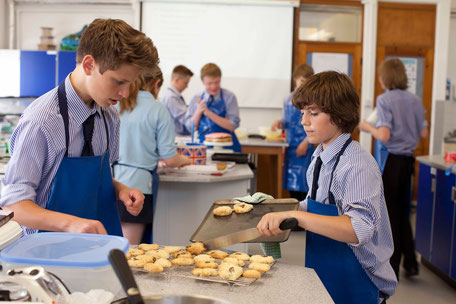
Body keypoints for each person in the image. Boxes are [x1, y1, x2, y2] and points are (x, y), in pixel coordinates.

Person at [0, 18, 158, 236]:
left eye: (131, 83)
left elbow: (95, 179)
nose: (125, 94)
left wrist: (121, 190)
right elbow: (14, 206)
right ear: (89, 65)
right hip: (44, 255)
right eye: (118, 82)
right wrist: (70, 224)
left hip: (95, 245)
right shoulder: (41, 122)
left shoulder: (109, 114)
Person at [256, 71, 397, 303]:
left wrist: (295, 215)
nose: (304, 121)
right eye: (302, 113)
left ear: (340, 115)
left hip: (359, 282)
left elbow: (358, 229)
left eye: (314, 113)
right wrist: (276, 209)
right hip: (326, 274)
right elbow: (317, 205)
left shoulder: (356, 164)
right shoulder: (320, 155)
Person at [358, 58, 426, 279]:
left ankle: (392, 266)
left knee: (389, 215)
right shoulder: (416, 100)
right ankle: (411, 262)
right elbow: (423, 133)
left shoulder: (385, 99)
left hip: (391, 162)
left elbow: (384, 134)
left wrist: (365, 125)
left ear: (384, 78)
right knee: (403, 212)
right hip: (408, 162)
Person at [113, 68, 191, 245]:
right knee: (130, 251)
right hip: (138, 187)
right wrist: (185, 160)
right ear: (156, 84)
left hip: (112, 182)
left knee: (113, 245)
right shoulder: (157, 109)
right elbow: (170, 158)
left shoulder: (118, 102)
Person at [271, 64, 315, 201]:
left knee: (306, 183)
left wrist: (306, 142)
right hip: (291, 147)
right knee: (292, 185)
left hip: (306, 145)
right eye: (301, 81)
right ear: (295, 79)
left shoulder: (312, 100)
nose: (303, 85)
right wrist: (279, 123)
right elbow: (285, 121)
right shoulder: (287, 99)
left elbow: (315, 124)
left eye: (307, 82)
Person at [185, 63, 241, 152]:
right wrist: (198, 111)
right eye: (209, 83)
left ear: (220, 79)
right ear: (203, 81)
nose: (214, 87)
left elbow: (232, 125)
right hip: (204, 148)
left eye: (217, 82)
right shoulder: (197, 98)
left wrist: (209, 113)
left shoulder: (229, 97)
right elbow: (190, 127)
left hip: (227, 149)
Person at [162, 65, 194, 136]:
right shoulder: (171, 97)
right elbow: (185, 118)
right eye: (185, 83)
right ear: (176, 80)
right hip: (176, 137)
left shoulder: (174, 95)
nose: (186, 86)